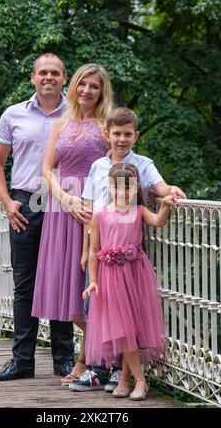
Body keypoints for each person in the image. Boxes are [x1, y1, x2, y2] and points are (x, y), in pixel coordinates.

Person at [70, 107, 186, 391]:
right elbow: (91, 209)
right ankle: (101, 368)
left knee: (128, 314)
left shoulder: (142, 165)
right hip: (101, 247)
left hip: (128, 256)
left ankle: (121, 374)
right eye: (117, 134)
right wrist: (87, 250)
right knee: (97, 310)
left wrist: (170, 190)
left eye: (128, 134)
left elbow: (158, 186)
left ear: (135, 135)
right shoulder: (97, 167)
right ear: (107, 135)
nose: (122, 139)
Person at [0, 53, 75, 381]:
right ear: (33, 78)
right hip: (26, 205)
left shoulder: (78, 114)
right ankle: (22, 360)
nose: (48, 77)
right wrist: (8, 202)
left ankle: (64, 360)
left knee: (61, 281)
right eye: (43, 72)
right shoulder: (13, 115)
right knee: (25, 285)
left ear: (64, 78)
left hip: (64, 202)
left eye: (55, 72)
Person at [31, 63, 114, 384]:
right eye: (82, 84)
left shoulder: (107, 123)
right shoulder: (62, 122)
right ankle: (94, 360)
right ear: (74, 85)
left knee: (87, 290)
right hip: (61, 210)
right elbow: (47, 169)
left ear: (101, 91)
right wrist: (66, 200)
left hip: (94, 210)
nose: (86, 91)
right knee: (66, 293)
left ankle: (98, 360)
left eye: (94, 86)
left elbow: (122, 164)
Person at [83, 163, 177, 400]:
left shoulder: (139, 211)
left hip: (135, 274)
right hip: (110, 277)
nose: (123, 193)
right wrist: (92, 281)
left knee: (131, 329)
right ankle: (137, 380)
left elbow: (159, 221)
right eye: (117, 187)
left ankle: (129, 380)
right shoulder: (100, 214)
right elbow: (94, 251)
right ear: (110, 187)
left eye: (128, 188)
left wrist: (165, 205)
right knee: (122, 330)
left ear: (135, 187)